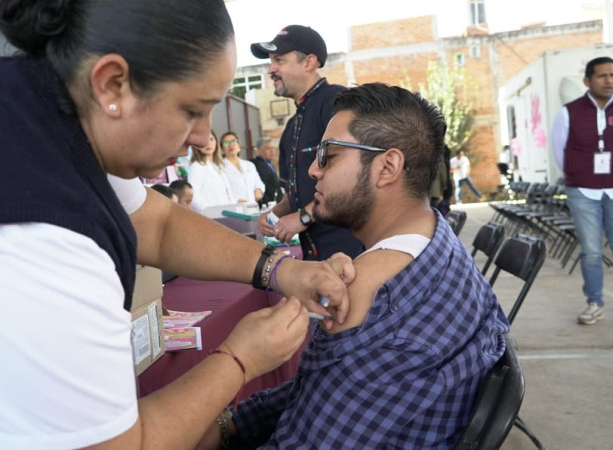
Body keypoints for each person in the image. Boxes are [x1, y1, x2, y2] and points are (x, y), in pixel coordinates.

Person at [0, 1, 357, 448]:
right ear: (113, 84)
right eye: (193, 110)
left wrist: (278, 272)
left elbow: (157, 224)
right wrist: (241, 360)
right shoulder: (29, 227)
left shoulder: (38, 106)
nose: (203, 137)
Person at [197, 84, 510, 449]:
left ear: (388, 167)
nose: (314, 170)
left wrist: (236, 364)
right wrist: (231, 423)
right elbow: (317, 392)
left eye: (327, 154)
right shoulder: (436, 238)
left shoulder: (365, 293)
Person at [251, 25, 361, 261]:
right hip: (317, 256)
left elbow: (357, 176)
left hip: (352, 253)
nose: (271, 69)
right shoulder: (291, 126)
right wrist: (274, 213)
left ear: (309, 62)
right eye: (271, 61)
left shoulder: (336, 101)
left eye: (279, 60)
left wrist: (303, 217)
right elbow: (298, 191)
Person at [551, 56, 613, 325]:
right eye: (602, 76)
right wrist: (578, 174)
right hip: (583, 191)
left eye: (612, 75)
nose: (609, 80)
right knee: (591, 251)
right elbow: (559, 151)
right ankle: (594, 302)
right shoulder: (568, 112)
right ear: (587, 80)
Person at [188, 129, 238, 214]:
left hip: (226, 215)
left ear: (216, 142)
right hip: (211, 216)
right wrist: (209, 212)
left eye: (211, 139)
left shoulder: (218, 166)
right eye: (204, 140)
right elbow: (193, 196)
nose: (208, 144)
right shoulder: (197, 166)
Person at [219, 131, 265, 204]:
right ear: (222, 149)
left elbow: (259, 183)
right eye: (226, 143)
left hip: (252, 207)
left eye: (233, 141)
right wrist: (236, 200)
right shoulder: (219, 167)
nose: (230, 145)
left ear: (238, 146)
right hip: (233, 208)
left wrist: (259, 190)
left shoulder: (249, 165)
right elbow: (219, 192)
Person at [251, 137, 284, 207]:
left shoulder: (269, 164)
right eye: (268, 148)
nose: (272, 151)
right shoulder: (259, 165)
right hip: (268, 205)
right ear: (259, 151)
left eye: (273, 148)